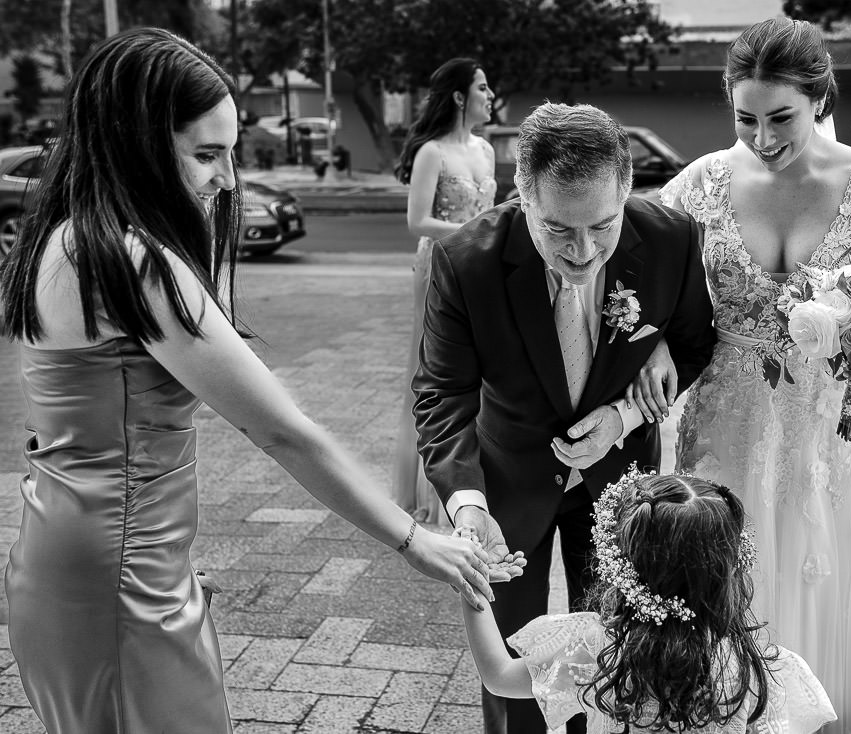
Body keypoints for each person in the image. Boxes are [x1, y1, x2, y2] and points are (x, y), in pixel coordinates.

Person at [0, 28, 501, 734]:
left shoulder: (64, 238)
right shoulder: (134, 260)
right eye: (206, 155)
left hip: (77, 560)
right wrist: (416, 542)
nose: (228, 180)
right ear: (135, 145)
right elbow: (281, 429)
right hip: (118, 577)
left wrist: (155, 558)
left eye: (231, 154)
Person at [638, 17, 851, 733]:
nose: (762, 138)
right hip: (725, 411)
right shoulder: (701, 182)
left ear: (819, 95)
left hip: (828, 423)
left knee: (823, 559)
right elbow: (650, 281)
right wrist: (649, 340)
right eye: (745, 118)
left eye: (780, 118)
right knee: (724, 561)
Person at [412, 102, 717, 733]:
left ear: (626, 194)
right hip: (507, 483)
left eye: (602, 227)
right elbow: (442, 394)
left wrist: (627, 416)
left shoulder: (671, 240)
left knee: (616, 650)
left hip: (621, 482)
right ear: (521, 197)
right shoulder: (466, 262)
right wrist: (467, 506)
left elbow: (691, 341)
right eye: (558, 231)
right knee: (514, 653)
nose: (583, 253)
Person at [457, 470, 837, 733]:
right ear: (727, 572)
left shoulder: (596, 648)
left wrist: (469, 577)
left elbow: (498, 677)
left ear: (625, 568)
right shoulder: (759, 668)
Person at [392, 57, 498, 525]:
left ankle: (468, 484)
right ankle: (423, 492)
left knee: (477, 371)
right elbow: (417, 221)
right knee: (430, 368)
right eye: (482, 86)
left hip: (478, 268)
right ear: (459, 97)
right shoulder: (432, 152)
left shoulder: (487, 151)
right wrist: (475, 228)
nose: (490, 94)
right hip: (436, 266)